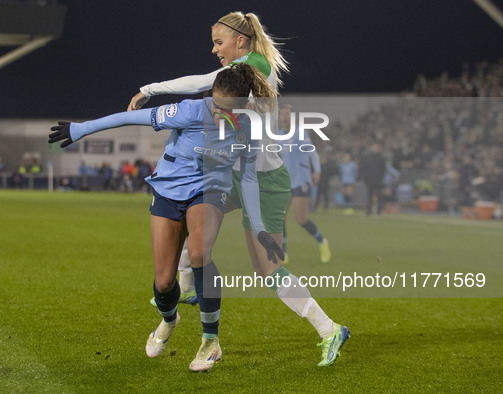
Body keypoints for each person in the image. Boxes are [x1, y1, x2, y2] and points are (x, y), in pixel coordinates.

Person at [127, 11, 349, 367]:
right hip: (237, 174)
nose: (215, 50)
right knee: (190, 212)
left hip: (264, 180)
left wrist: (150, 89)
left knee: (267, 269)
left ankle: (330, 329)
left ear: (240, 41)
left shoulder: (252, 64)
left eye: (219, 42)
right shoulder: (243, 68)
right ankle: (184, 287)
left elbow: (200, 81)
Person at [49, 64, 284, 372]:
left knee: (200, 253)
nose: (217, 114)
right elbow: (130, 117)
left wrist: (261, 229)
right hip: (169, 189)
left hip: (209, 190)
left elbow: (250, 179)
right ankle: (169, 320)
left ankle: (210, 342)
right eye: (215, 105)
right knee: (163, 283)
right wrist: (80, 129)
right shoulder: (187, 111)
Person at [278, 105, 331, 263]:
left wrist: (317, 171)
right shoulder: (279, 135)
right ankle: (284, 252)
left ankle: (322, 242)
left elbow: (312, 152)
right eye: (282, 115)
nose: (285, 117)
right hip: (286, 182)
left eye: (287, 114)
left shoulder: (300, 133)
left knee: (301, 220)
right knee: (280, 217)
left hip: (302, 180)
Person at [360, 143, 387, 216]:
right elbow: (363, 168)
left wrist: (380, 178)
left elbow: (383, 170)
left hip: (378, 181)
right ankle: (369, 210)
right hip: (369, 180)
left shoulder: (381, 158)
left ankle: (379, 210)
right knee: (369, 196)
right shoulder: (367, 158)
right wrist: (365, 178)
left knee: (379, 196)